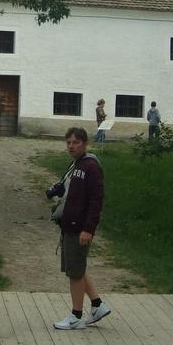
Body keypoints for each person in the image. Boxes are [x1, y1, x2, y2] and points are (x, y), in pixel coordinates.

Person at [50, 127, 111, 330]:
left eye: (75, 142)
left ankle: (76, 316)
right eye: (68, 142)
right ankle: (97, 305)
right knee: (76, 267)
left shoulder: (91, 166)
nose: (71, 146)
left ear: (85, 144)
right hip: (69, 225)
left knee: (74, 273)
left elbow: (96, 200)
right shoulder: (76, 165)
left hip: (80, 227)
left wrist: (88, 229)